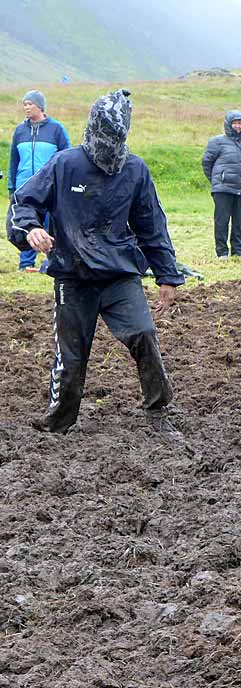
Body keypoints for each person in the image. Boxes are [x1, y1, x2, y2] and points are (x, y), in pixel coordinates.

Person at [6, 89, 183, 437]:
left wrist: (167, 275)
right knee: (70, 357)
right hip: (73, 277)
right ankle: (59, 421)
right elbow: (23, 201)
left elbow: (151, 225)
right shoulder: (65, 164)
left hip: (120, 275)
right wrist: (31, 230)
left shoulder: (135, 170)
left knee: (144, 335)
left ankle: (158, 412)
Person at [7, 90, 69, 273]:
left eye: (30, 104)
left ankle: (53, 261)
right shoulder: (19, 131)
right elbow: (13, 160)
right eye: (24, 104)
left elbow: (66, 157)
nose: (26, 107)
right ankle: (26, 263)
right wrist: (12, 186)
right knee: (27, 224)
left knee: (53, 224)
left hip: (50, 187)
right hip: (24, 187)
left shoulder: (56, 129)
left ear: (40, 106)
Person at [201, 109, 241, 259]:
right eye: (235, 123)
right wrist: (216, 181)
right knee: (221, 221)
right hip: (222, 189)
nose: (238, 126)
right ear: (228, 125)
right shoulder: (216, 142)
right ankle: (222, 252)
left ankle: (238, 252)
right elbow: (207, 163)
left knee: (239, 222)